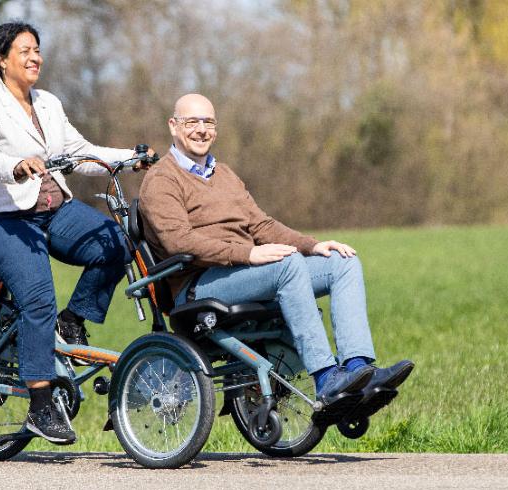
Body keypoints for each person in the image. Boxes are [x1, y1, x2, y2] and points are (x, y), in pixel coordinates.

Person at [139, 94, 414, 423]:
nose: (201, 130)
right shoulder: (161, 180)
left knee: (343, 262)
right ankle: (326, 377)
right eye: (192, 122)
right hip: (197, 285)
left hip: (244, 273)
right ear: (173, 126)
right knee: (286, 265)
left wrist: (312, 246)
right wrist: (249, 253)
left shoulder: (225, 174)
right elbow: (177, 241)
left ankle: (358, 369)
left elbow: (262, 225)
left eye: (208, 122)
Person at [0, 22, 139, 444]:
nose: (35, 57)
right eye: (25, 51)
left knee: (117, 242)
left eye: (37, 50)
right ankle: (40, 407)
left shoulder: (49, 104)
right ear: (2, 60)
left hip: (54, 211)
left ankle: (72, 322)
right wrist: (17, 166)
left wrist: (133, 158)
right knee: (37, 296)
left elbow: (79, 152)